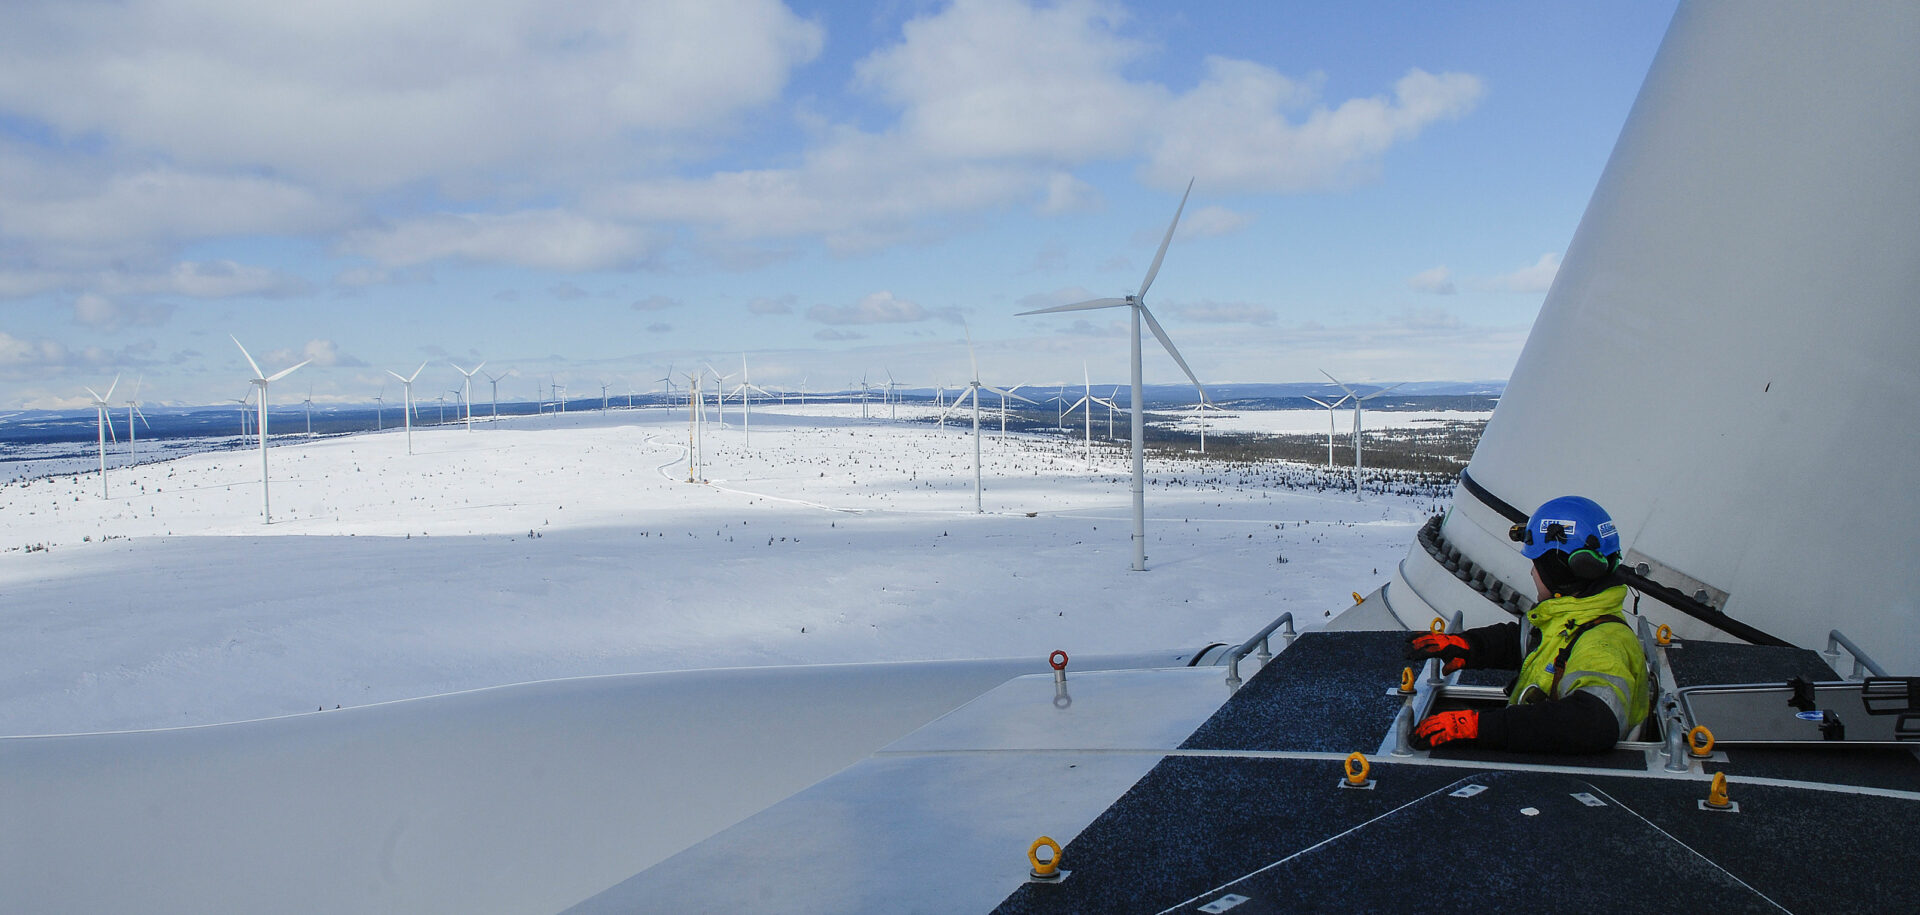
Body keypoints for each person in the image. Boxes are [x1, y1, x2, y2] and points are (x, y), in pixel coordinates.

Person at [1404, 495, 1649, 754]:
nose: (1533, 573)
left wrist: (1480, 727)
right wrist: (1469, 645)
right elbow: (1528, 641)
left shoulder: (1604, 645)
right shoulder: (1577, 620)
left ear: (1560, 572)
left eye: (1537, 564)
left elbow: (1592, 723)